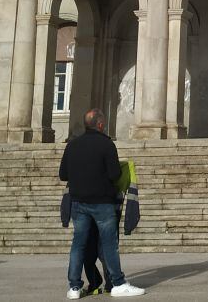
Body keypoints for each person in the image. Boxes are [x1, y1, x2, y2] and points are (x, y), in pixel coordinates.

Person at [60, 109, 145, 299]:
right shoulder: (106, 144)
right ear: (100, 124)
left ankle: (74, 287)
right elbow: (114, 174)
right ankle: (118, 283)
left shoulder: (72, 145)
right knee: (109, 244)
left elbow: (63, 175)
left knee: (78, 244)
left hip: (78, 202)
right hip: (102, 203)